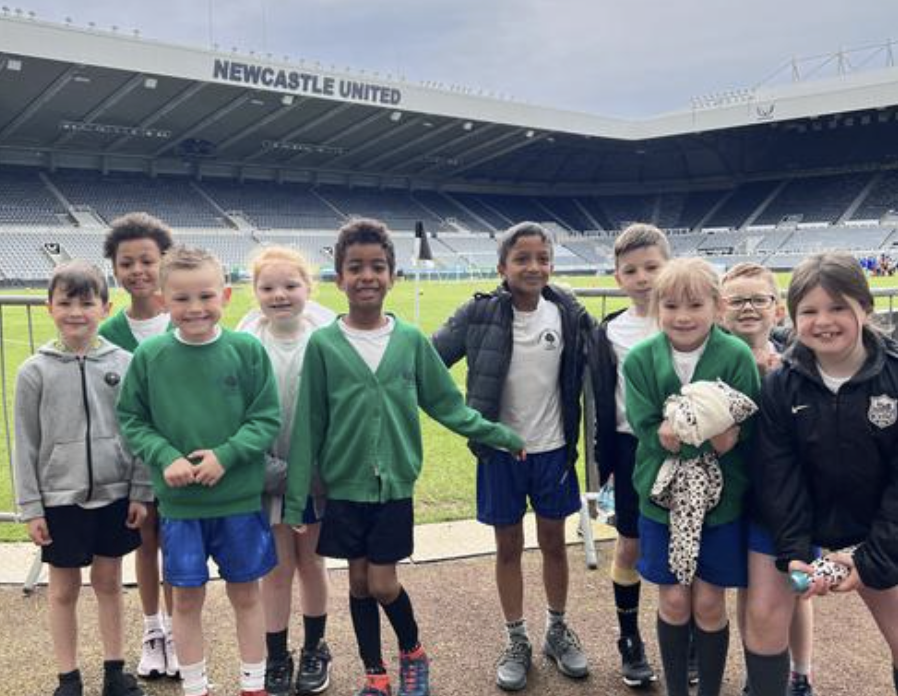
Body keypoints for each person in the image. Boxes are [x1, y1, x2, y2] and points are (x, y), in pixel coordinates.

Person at [285, 218, 525, 696]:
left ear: (392, 276)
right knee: (355, 582)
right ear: (339, 277)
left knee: (382, 583)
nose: (367, 276)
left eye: (377, 266)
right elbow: (309, 422)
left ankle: (412, 650)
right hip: (344, 487)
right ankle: (375, 674)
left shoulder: (411, 341)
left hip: (393, 486)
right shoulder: (324, 345)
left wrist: (498, 434)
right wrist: (296, 499)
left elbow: (447, 405)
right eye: (355, 267)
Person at [433, 221, 592, 692]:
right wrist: (469, 421)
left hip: (554, 452)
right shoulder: (477, 313)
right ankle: (516, 637)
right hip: (500, 454)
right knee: (507, 547)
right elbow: (427, 362)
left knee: (554, 543)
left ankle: (557, 629)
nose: (534, 267)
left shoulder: (567, 311)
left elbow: (609, 355)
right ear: (502, 267)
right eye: (522, 259)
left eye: (542, 258)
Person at [117, 245, 282, 696]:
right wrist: (165, 456)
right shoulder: (150, 357)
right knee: (186, 600)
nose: (195, 308)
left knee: (247, 595)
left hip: (240, 502)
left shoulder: (246, 351)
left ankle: (254, 686)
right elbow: (132, 419)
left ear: (225, 295)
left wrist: (225, 455)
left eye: (206, 296)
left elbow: (266, 417)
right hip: (181, 508)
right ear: (164, 299)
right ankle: (195, 687)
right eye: (183, 299)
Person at [749, 252, 898, 695]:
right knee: (762, 617)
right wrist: (795, 550)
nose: (824, 321)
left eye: (838, 307)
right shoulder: (781, 383)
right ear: (793, 318)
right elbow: (779, 474)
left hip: (877, 525)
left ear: (865, 309)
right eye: (809, 311)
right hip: (802, 519)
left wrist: (872, 557)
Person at [623, 257, 760, 696]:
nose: (682, 317)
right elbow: (647, 430)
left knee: (707, 600)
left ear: (717, 307)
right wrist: (711, 432)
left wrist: (690, 431)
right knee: (675, 598)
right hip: (663, 500)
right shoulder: (642, 359)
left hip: (722, 501)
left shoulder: (735, 355)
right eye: (671, 305)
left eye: (695, 305)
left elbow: (749, 425)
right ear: (656, 307)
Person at [14, 260, 150, 696]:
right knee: (63, 589)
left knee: (110, 583)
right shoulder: (34, 372)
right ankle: (68, 677)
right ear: (49, 307)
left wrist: (141, 490)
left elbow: (139, 430)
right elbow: (26, 444)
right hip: (60, 499)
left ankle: (115, 670)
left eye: (86, 302)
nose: (76, 311)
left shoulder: (125, 364)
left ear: (105, 307)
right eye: (66, 302)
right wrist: (32, 507)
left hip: (114, 495)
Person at [237, 246, 336, 696]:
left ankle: (316, 648)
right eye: (268, 287)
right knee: (275, 569)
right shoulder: (244, 345)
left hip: (316, 480)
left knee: (312, 563)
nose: (279, 295)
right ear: (255, 292)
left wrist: (318, 472)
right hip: (268, 478)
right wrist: (272, 472)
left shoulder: (327, 339)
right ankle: (277, 655)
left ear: (308, 289)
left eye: (290, 285)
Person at [719, 262, 815, 696]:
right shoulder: (711, 361)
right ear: (722, 310)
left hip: (787, 497)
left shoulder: (796, 363)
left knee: (792, 590)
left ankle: (800, 673)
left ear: (778, 310)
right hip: (736, 492)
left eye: (759, 299)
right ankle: (759, 671)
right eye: (737, 300)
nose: (748, 308)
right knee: (750, 588)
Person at [590, 222, 670, 688]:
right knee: (631, 543)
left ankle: (686, 636)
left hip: (686, 449)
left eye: (652, 267)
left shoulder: (686, 318)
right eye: (632, 270)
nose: (643, 278)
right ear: (618, 277)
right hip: (630, 449)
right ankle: (630, 640)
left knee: (686, 545)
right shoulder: (608, 331)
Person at [99, 211, 178, 680]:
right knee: (145, 544)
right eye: (126, 262)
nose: (138, 271)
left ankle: (179, 631)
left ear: (164, 261)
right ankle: (154, 632)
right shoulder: (109, 333)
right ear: (114, 269)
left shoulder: (188, 317)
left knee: (178, 547)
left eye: (147, 260)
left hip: (181, 460)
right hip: (135, 463)